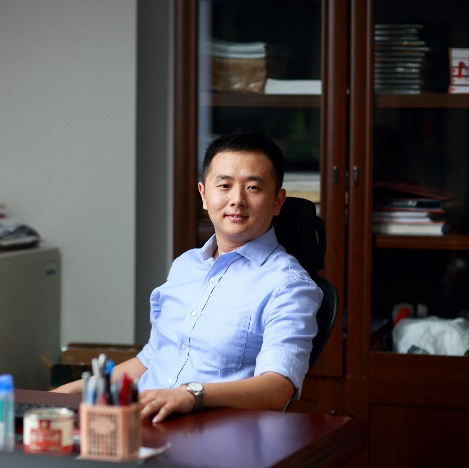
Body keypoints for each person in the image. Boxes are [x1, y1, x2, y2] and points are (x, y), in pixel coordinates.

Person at [54, 131, 322, 423]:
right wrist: (73, 391)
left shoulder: (288, 285)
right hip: (140, 421)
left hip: (210, 432)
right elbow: (152, 358)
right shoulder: (186, 265)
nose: (237, 200)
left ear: (278, 201)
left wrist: (192, 395)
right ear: (204, 195)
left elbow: (277, 389)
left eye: (253, 188)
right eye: (224, 185)